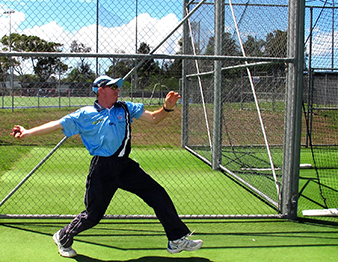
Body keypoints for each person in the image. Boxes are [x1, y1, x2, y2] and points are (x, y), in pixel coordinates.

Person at [11, 75, 203, 258]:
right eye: (113, 87)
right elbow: (56, 125)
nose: (117, 90)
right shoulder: (85, 114)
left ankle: (176, 239)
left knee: (158, 194)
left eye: (117, 86)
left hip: (126, 166)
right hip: (102, 169)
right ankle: (63, 237)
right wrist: (27, 133)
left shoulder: (125, 108)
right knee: (93, 216)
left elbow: (153, 118)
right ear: (100, 90)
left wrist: (166, 108)